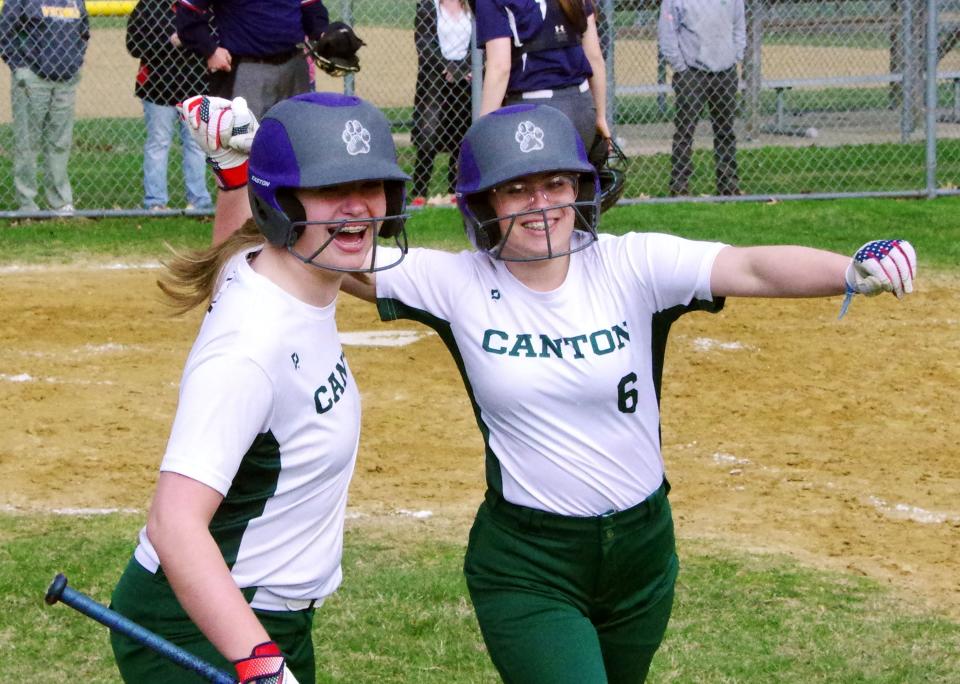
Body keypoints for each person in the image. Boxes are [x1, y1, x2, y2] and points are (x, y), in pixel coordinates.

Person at [194, 99, 917, 683]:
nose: (542, 204)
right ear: (482, 203)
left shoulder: (633, 265)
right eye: (518, 187)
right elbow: (297, 245)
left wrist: (851, 267)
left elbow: (752, 267)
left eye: (557, 182)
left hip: (643, 556)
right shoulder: (452, 281)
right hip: (529, 563)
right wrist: (238, 174)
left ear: (582, 187)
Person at [108, 92, 410, 684]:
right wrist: (260, 665)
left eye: (371, 183)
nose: (358, 207)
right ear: (280, 203)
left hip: (262, 620)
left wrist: (234, 175)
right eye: (328, 188)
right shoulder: (248, 350)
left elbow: (241, 240)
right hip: (201, 627)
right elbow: (174, 523)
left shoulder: (271, 267)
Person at [473, 0, 611, 164]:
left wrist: (482, 131)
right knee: (572, 185)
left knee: (532, 187)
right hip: (582, 106)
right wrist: (600, 116)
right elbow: (594, 57)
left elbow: (500, 68)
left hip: (534, 111)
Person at [0, 0, 89, 215]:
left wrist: (75, 61)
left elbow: (83, 31)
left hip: (65, 79)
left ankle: (60, 202)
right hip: (32, 78)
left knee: (59, 142)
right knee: (27, 143)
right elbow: (5, 30)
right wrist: (19, 66)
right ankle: (28, 203)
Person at [174, 0, 330, 120]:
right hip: (248, 70)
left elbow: (312, 10)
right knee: (243, 144)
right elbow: (187, 14)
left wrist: (325, 34)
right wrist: (210, 50)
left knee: (294, 142)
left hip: (294, 67)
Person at [126, 0, 213, 212]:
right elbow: (133, 45)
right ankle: (155, 201)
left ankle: (199, 200)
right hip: (157, 89)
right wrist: (168, 42)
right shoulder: (149, 5)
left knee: (196, 145)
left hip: (195, 85)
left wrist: (188, 39)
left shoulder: (203, 5)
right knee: (158, 143)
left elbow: (214, 37)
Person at [659, 0, 746, 197]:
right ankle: (679, 187)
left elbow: (739, 27)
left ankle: (728, 186)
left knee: (725, 131)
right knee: (685, 131)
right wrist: (681, 67)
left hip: (725, 72)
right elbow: (668, 34)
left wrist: (735, 57)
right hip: (691, 74)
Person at [411, 0, 473, 208]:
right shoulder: (429, 7)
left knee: (460, 136)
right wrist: (448, 68)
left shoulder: (472, 7)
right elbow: (424, 44)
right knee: (428, 136)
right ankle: (419, 194)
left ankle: (454, 193)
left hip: (466, 80)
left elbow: (480, 42)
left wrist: (464, 68)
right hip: (435, 80)